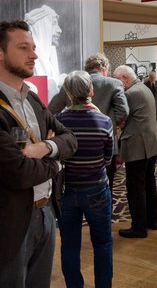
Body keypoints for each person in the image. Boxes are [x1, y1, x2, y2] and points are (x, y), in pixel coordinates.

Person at [0, 20, 77, 287]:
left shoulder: (32, 99)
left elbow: (70, 138)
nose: (34, 54)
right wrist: (57, 164)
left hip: (45, 210)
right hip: (5, 220)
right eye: (23, 47)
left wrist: (46, 147)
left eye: (33, 47)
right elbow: (18, 172)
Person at [56, 71, 113, 288]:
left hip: (68, 190)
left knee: (69, 245)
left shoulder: (60, 120)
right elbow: (108, 158)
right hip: (97, 188)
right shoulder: (104, 120)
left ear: (68, 94)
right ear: (91, 91)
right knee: (103, 243)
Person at [49, 53, 129, 191]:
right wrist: (108, 125)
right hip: (104, 145)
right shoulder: (114, 83)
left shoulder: (70, 83)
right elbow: (123, 112)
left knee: (74, 186)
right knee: (105, 185)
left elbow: (52, 109)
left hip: (73, 142)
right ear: (104, 68)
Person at [113, 65, 157, 238]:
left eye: (117, 80)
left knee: (135, 187)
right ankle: (152, 220)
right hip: (151, 143)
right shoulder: (144, 88)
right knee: (149, 182)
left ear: (124, 78)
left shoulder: (130, 94)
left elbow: (120, 118)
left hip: (137, 145)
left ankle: (139, 227)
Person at [24, 5, 64, 101]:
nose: (59, 30)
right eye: (54, 24)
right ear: (42, 27)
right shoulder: (31, 62)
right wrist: (57, 82)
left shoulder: (48, 58)